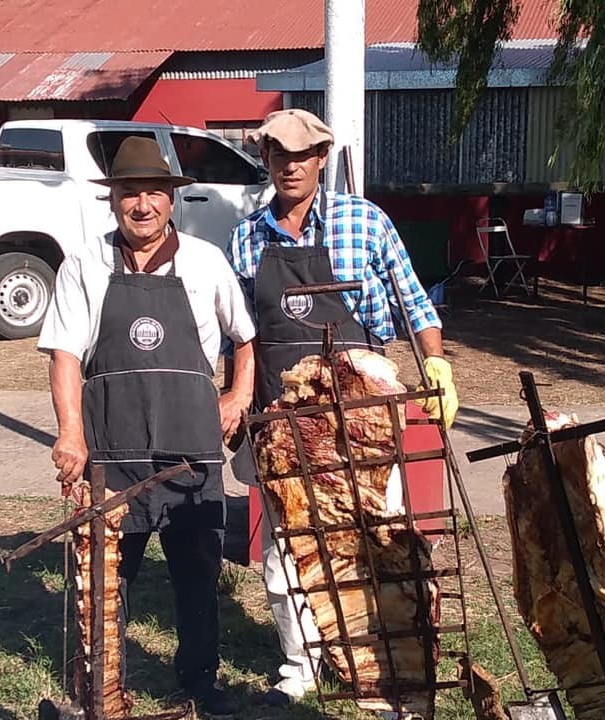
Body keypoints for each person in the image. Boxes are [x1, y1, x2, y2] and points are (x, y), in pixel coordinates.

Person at [227, 108, 459, 706]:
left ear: (321, 158)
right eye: (278, 155)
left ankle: (388, 659)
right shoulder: (246, 237)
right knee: (286, 548)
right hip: (282, 421)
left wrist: (435, 361)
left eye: (301, 155)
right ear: (266, 160)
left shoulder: (365, 221)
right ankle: (301, 664)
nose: (290, 167)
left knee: (379, 539)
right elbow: (239, 334)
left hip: (362, 420)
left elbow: (414, 302)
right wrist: (234, 396)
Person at [39, 136, 255, 717]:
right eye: (130, 193)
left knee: (198, 574)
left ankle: (200, 681)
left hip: (192, 452)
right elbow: (64, 355)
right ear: (113, 200)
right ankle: (102, 688)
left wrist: (238, 395)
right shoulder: (84, 264)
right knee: (108, 580)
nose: (143, 205)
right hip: (114, 451)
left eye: (154, 193)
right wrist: (70, 433)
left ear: (171, 199)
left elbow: (245, 337)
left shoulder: (206, 261)